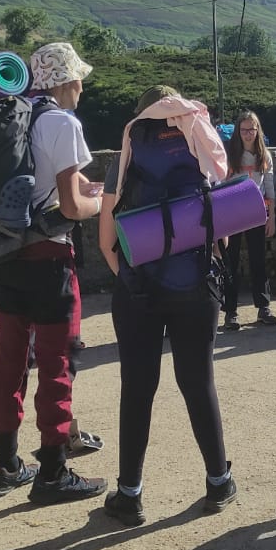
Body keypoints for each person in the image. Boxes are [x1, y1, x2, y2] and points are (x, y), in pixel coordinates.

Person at [100, 84, 236, 527]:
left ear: (140, 119)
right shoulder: (200, 150)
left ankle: (129, 495)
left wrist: (133, 279)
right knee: (199, 382)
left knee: (137, 389)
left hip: (138, 290)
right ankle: (218, 482)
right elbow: (221, 231)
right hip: (196, 285)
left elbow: (106, 240)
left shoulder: (123, 160)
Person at [0, 42, 108, 503]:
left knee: (10, 361)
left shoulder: (15, 116)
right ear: (66, 80)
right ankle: (53, 473)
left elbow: (49, 182)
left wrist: (84, 190)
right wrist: (102, 204)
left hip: (6, 254)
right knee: (56, 363)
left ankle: (6, 464)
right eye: (79, 80)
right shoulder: (63, 122)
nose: (81, 89)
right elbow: (72, 206)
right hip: (49, 259)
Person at [221, 110, 276, 331]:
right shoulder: (229, 155)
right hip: (233, 213)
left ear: (258, 130)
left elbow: (270, 188)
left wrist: (271, 218)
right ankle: (230, 312)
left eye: (251, 129)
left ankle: (263, 307)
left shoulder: (264, 156)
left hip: (257, 213)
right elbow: (220, 184)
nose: (248, 134)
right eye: (244, 130)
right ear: (238, 131)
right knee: (231, 261)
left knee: (258, 260)